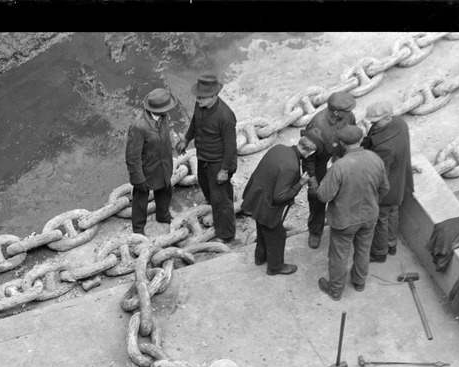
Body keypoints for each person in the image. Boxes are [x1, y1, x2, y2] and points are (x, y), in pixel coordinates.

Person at [315, 124, 389, 300]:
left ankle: (335, 289)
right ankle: (359, 282)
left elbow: (324, 196)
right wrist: (373, 203)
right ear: (361, 140)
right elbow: (385, 187)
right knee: (364, 249)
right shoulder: (375, 159)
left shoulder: (340, 166)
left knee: (339, 256)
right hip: (370, 216)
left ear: (341, 143)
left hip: (344, 220)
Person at [241, 135, 316, 275]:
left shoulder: (279, 147)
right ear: (309, 152)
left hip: (256, 195)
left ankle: (260, 257)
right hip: (268, 204)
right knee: (277, 235)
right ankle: (275, 267)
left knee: (262, 228)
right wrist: (300, 183)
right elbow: (280, 197)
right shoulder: (292, 166)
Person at [182, 73, 238, 244]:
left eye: (202, 98)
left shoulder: (226, 117)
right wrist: (186, 139)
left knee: (220, 199)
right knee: (205, 184)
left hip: (219, 161)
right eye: (198, 97)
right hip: (203, 155)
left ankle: (226, 234)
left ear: (214, 96)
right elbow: (195, 122)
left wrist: (224, 170)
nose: (198, 100)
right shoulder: (201, 105)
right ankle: (215, 200)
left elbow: (230, 147)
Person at [303, 91, 357, 249]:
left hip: (341, 158)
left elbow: (352, 134)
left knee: (343, 192)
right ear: (335, 112)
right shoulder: (317, 125)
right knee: (317, 197)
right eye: (346, 111)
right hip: (320, 162)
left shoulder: (348, 116)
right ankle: (315, 230)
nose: (350, 113)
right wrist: (312, 180)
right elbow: (308, 157)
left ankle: (339, 222)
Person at [362, 100, 414, 262]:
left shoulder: (385, 147)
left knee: (380, 220)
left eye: (375, 122)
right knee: (393, 213)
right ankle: (392, 245)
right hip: (400, 182)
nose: (373, 124)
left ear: (387, 117)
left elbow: (378, 173)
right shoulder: (400, 123)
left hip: (387, 190)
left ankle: (379, 252)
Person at [126, 88, 179, 235]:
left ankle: (163, 216)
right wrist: (138, 178)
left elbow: (166, 137)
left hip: (163, 165)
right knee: (140, 199)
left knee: (165, 191)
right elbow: (132, 156)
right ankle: (138, 229)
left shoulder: (164, 117)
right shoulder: (139, 126)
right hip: (147, 169)